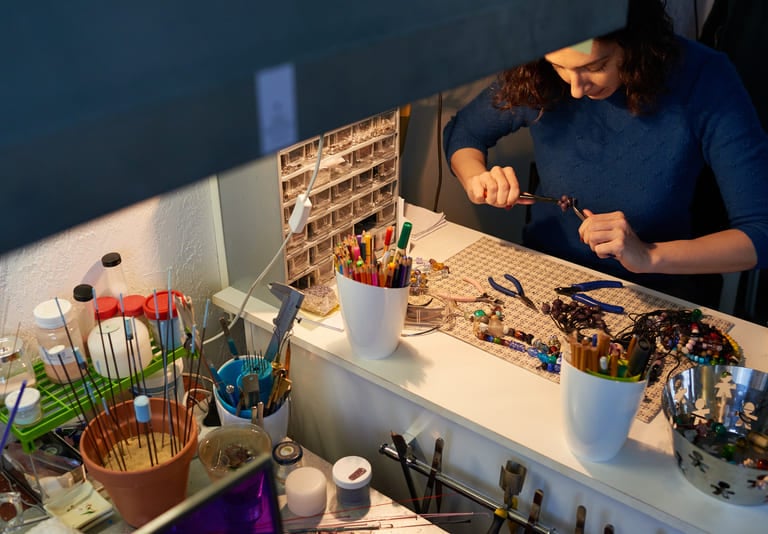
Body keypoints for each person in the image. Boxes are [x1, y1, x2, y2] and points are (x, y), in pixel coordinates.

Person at [443, 0, 768, 304]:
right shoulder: (537, 73)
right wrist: (478, 179)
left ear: (636, 43)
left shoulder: (703, 78)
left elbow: (760, 233)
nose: (575, 88)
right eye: (559, 66)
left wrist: (648, 255)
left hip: (656, 294)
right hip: (546, 279)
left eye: (596, 65)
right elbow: (464, 133)